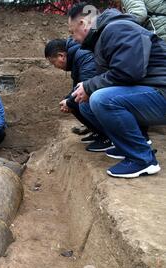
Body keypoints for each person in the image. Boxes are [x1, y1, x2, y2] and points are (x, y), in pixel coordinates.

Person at [68, 2, 166, 178]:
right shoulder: (104, 35)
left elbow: (128, 72)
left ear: (83, 24)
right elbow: (114, 77)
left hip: (161, 92)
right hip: (151, 92)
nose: (73, 39)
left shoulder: (117, 28)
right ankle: (126, 146)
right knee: (88, 102)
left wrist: (90, 86)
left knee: (101, 99)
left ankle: (142, 159)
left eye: (72, 32)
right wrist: (86, 89)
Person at [44, 37, 110, 150]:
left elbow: (88, 86)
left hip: (109, 95)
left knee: (82, 103)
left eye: (53, 62)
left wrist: (69, 102)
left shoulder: (84, 56)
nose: (55, 66)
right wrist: (68, 101)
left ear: (61, 56)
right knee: (71, 102)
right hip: (102, 92)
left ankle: (109, 137)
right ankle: (99, 132)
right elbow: (78, 87)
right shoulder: (76, 58)